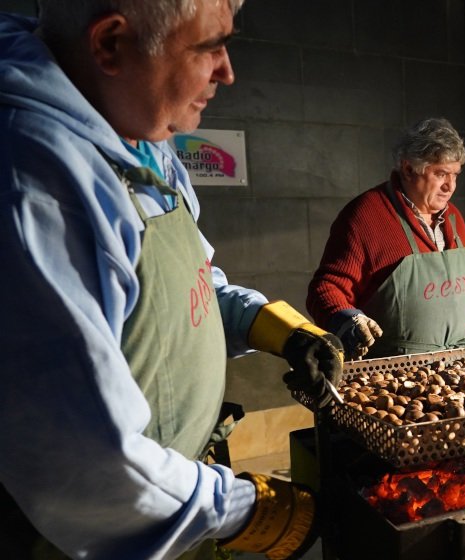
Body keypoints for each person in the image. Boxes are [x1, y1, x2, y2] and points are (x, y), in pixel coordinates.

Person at [0, 1, 345, 559]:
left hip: (184, 490)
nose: (227, 71)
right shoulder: (33, 183)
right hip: (102, 534)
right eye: (209, 46)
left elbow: (195, 283)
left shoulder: (141, 137)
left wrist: (281, 330)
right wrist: (269, 516)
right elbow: (91, 464)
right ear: (111, 44)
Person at [307, 117, 465, 359]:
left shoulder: (454, 218)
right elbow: (325, 289)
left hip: (457, 369)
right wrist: (348, 321)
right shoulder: (365, 216)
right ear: (409, 169)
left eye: (456, 175)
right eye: (441, 174)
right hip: (392, 375)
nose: (451, 186)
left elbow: (462, 294)